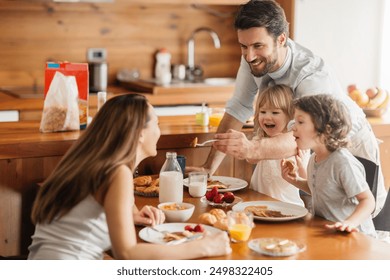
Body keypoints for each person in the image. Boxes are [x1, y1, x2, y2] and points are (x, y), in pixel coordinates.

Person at [197, 0, 386, 217]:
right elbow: (238, 108)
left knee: (353, 217)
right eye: (243, 46)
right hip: (311, 148)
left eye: (258, 46)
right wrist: (208, 167)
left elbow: (306, 134)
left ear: (281, 39)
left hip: (350, 146)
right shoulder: (253, 59)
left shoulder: (311, 75)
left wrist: (252, 149)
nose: (249, 56)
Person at [28, 94, 231, 260]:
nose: (159, 132)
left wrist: (128, 215)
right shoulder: (117, 172)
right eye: (157, 124)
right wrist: (205, 247)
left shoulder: (86, 161)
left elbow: (84, 215)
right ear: (140, 133)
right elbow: (126, 253)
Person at [281, 94, 376, 237]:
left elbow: (368, 201)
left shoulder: (342, 162)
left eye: (300, 122)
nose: (293, 127)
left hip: (355, 237)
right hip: (330, 232)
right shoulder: (314, 159)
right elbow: (320, 189)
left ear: (326, 130)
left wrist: (349, 223)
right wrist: (295, 181)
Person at [250, 84, 309, 206]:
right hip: (257, 203)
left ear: (291, 116)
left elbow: (308, 184)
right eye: (262, 112)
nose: (267, 117)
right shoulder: (262, 138)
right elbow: (250, 158)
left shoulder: (298, 143)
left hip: (287, 206)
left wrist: (302, 167)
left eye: (275, 112)